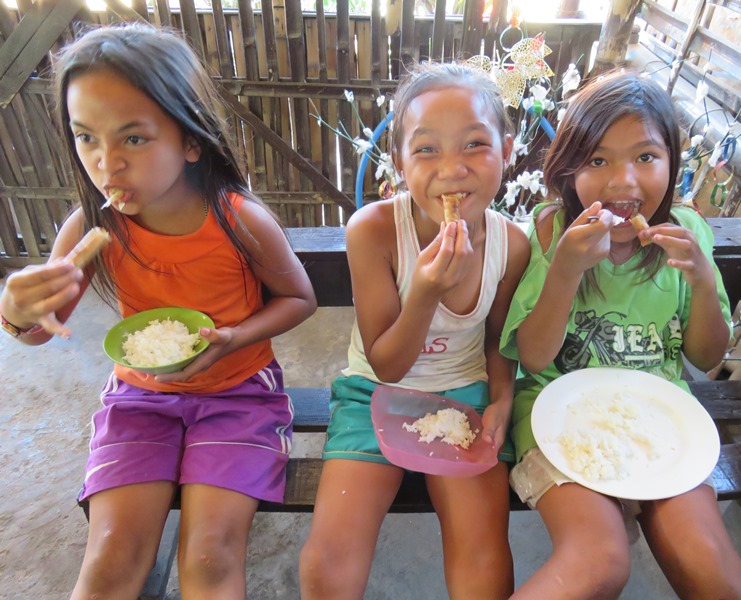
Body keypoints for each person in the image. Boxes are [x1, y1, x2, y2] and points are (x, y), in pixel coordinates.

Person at [0, 24, 317, 600]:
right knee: (110, 559)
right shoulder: (91, 227)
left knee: (210, 558)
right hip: (139, 399)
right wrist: (15, 309)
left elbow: (300, 299)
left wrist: (232, 338)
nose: (107, 163)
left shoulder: (238, 219)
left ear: (190, 140)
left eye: (133, 138)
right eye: (86, 137)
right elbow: (39, 333)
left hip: (240, 394)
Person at [500, 70, 741, 599]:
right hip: (556, 418)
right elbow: (532, 357)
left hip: (661, 422)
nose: (623, 180)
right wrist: (565, 270)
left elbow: (706, 355)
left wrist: (702, 279)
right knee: (600, 561)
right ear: (569, 168)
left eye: (645, 156)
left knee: (710, 562)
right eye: (598, 160)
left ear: (672, 161)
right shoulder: (551, 231)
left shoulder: (689, 232)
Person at [299, 62, 531, 599]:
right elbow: (387, 364)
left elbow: (499, 338)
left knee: (485, 563)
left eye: (475, 144)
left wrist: (502, 397)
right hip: (373, 392)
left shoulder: (511, 246)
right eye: (427, 149)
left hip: (464, 395)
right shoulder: (375, 231)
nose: (452, 169)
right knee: (327, 566)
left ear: (507, 150)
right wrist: (424, 292)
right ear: (400, 163)